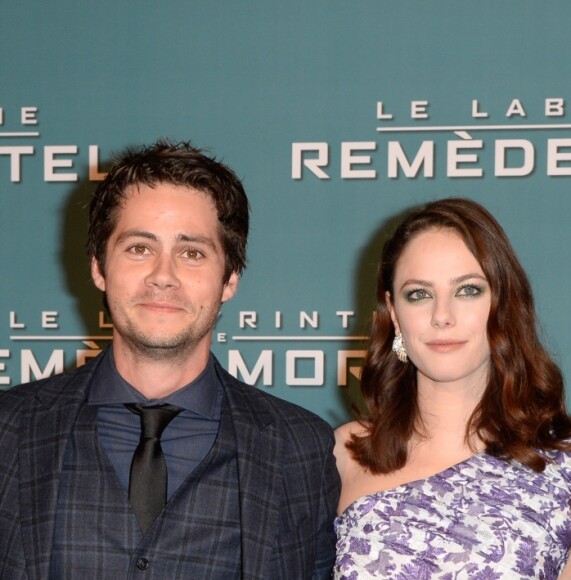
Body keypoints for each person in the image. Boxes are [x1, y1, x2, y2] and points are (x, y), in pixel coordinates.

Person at [0, 139, 340, 579]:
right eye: (139, 248)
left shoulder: (300, 448)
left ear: (230, 278)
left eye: (192, 253)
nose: (164, 275)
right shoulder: (9, 430)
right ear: (99, 267)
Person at [333, 198, 571, 579]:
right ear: (394, 313)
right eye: (419, 294)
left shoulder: (568, 467)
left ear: (504, 302)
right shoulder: (344, 455)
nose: (442, 316)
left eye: (467, 290)